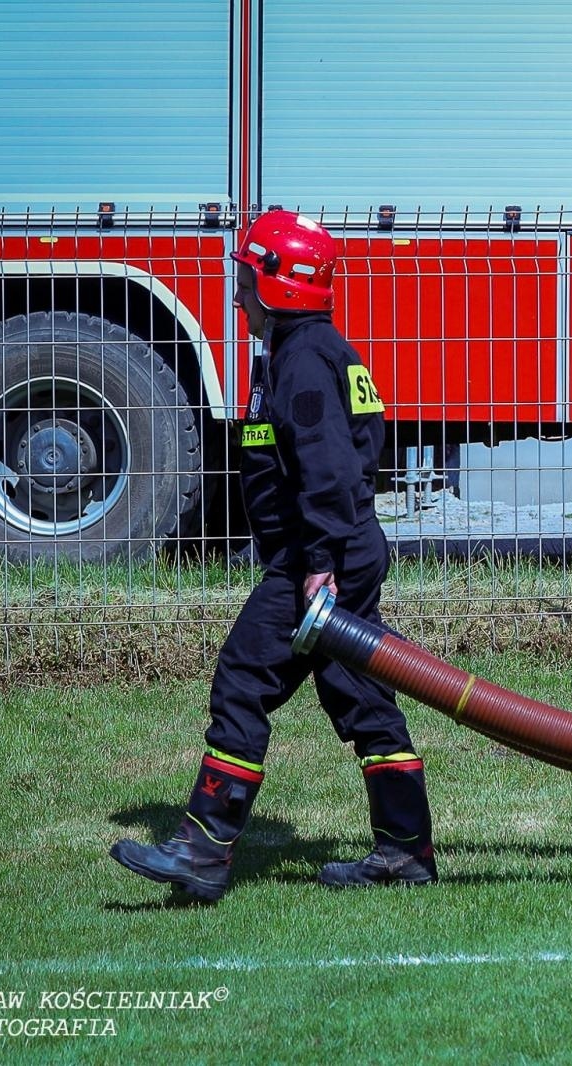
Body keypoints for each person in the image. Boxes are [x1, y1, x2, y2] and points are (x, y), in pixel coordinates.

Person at [111, 210, 437, 901]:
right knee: (359, 696)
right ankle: (404, 851)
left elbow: (327, 470)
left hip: (317, 561)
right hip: (335, 551)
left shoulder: (303, 362)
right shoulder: (307, 353)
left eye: (247, 281)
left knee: (243, 679)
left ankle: (203, 850)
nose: (238, 297)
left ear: (279, 285)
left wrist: (318, 563)